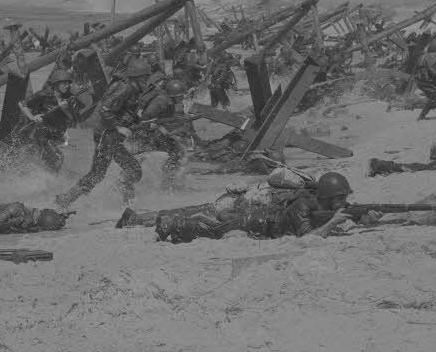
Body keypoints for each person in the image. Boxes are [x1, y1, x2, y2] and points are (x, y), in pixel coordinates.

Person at [142, 171, 355, 243]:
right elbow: (308, 238)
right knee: (210, 230)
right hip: (254, 222)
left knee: (212, 222)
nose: (342, 202)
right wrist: (334, 222)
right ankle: (169, 222)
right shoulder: (302, 205)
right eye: (339, 198)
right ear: (328, 197)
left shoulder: (318, 203)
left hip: (259, 218)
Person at [56, 58, 153, 210]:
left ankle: (67, 198)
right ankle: (127, 204)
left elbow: (122, 113)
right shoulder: (126, 88)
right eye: (145, 77)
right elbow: (105, 109)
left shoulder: (130, 88)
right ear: (138, 77)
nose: (147, 80)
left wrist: (139, 123)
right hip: (107, 135)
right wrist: (118, 127)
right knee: (121, 171)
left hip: (109, 135)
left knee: (113, 171)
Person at [130, 76, 194, 188]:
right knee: (175, 152)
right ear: (175, 96)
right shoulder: (160, 101)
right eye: (181, 95)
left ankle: (168, 179)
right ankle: (166, 181)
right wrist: (162, 128)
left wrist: (182, 121)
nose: (183, 97)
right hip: (145, 134)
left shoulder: (170, 102)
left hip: (154, 133)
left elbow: (169, 120)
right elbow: (144, 120)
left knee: (177, 152)